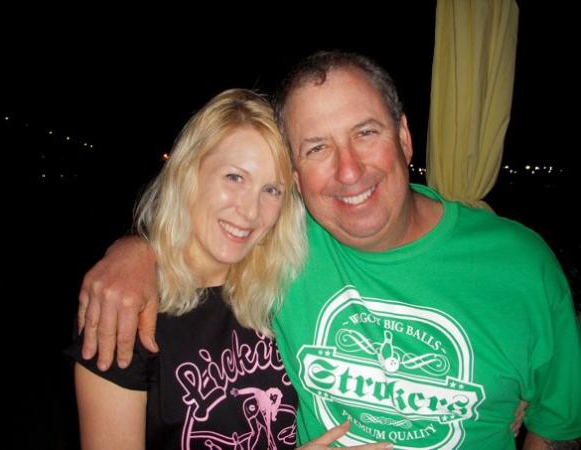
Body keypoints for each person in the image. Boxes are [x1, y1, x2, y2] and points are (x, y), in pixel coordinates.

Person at [76, 52, 581, 449]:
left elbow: (557, 425)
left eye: (365, 133)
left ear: (404, 138)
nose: (348, 171)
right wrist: (136, 251)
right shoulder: (286, 248)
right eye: (317, 147)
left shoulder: (520, 266)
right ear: (300, 176)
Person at [67, 88, 393, 450]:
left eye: (272, 189)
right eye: (234, 178)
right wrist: (135, 249)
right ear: (189, 170)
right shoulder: (124, 311)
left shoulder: (286, 289)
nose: (250, 211)